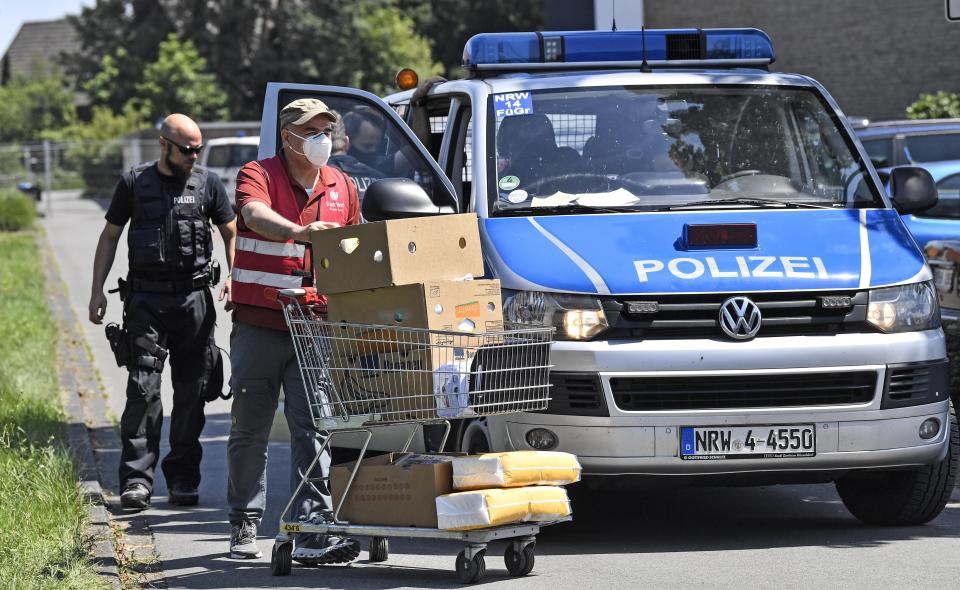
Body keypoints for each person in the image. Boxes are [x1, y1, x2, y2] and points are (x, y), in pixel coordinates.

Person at [226, 99, 361, 564]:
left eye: (327, 129)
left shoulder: (342, 185)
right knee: (250, 429)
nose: (324, 138)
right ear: (289, 136)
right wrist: (299, 232)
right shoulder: (257, 173)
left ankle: (312, 530)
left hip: (314, 329)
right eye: (314, 131)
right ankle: (245, 519)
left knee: (314, 430)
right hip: (259, 324)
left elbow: (356, 247)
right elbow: (253, 216)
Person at [88, 114, 237, 510]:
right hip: (146, 302)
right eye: (187, 149)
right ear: (163, 144)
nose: (194, 155)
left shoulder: (207, 183)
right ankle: (137, 481)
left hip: (194, 302)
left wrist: (234, 276)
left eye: (198, 149)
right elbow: (110, 237)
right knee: (143, 390)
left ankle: (183, 479)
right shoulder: (134, 183)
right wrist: (96, 291)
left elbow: (230, 231)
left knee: (192, 393)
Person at [327, 109, 384, 206]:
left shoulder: (312, 180)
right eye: (367, 146)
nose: (373, 152)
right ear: (348, 142)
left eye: (377, 147)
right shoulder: (380, 181)